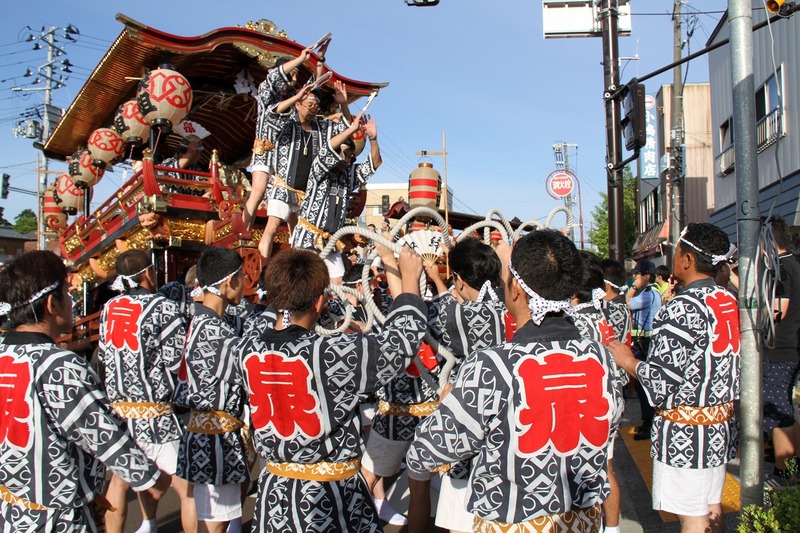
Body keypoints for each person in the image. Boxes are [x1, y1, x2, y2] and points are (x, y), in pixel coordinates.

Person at [406, 229, 621, 530]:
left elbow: (427, 450)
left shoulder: (493, 365)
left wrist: (447, 408)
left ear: (516, 288)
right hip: (582, 521)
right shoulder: (602, 358)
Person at [229, 246, 427, 532]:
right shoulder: (333, 353)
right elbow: (401, 343)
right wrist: (409, 280)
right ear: (319, 302)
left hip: (275, 496)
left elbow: (267, 320)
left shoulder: (244, 348)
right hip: (330, 496)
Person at [0, 251, 171, 531]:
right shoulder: (58, 365)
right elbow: (102, 432)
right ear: (52, 304)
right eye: (67, 294)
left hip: (11, 511)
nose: (71, 302)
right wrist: (151, 478)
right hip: (57, 519)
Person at [609, 223, 739, 533]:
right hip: (720, 425)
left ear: (688, 259)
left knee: (692, 516)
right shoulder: (726, 298)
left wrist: (627, 360)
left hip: (687, 431)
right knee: (712, 507)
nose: (674, 256)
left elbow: (660, 380)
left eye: (677, 251)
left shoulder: (682, 307)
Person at [98, 250, 195, 533]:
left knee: (120, 481)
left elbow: (103, 356)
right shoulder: (162, 306)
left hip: (120, 415)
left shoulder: (109, 308)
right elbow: (178, 361)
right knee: (188, 487)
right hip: (155, 414)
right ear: (148, 273)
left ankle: (147, 525)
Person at [424, 237, 509, 533]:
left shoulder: (458, 314)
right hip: (510, 421)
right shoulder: (512, 306)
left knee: (462, 516)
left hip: (469, 417)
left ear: (459, 280)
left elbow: (413, 317)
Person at [176, 247, 248, 533]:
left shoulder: (203, 320)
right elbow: (247, 368)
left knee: (208, 513)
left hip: (203, 432)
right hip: (215, 438)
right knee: (214, 523)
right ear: (230, 281)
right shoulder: (214, 331)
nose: (246, 284)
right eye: (243, 277)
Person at [256, 79, 351, 260]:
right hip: (283, 185)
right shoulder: (286, 124)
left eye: (316, 105)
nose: (314, 108)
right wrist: (297, 96)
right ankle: (262, 268)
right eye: (309, 104)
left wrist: (344, 104)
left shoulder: (322, 128)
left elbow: (347, 126)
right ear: (298, 105)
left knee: (298, 235)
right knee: (272, 227)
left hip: (309, 192)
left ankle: (294, 271)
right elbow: (271, 114)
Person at [245, 41, 331, 230]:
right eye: (292, 73)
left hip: (286, 155)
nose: (294, 78)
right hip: (266, 149)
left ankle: (294, 240)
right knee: (258, 191)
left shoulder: (296, 98)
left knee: (294, 201)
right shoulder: (267, 91)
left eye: (296, 74)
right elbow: (276, 80)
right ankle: (243, 231)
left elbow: (313, 85)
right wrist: (301, 59)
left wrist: (320, 59)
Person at [290, 112, 380, 284]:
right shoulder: (319, 168)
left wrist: (373, 139)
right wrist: (350, 130)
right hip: (308, 239)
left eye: (350, 156)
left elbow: (374, 163)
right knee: (305, 284)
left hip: (331, 242)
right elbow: (329, 148)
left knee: (337, 283)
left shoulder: (348, 176)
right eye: (344, 154)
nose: (347, 160)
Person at [572, 251, 625, 533]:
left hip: (587, 406)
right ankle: (613, 528)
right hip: (611, 399)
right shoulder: (606, 314)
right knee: (607, 468)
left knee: (583, 472)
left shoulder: (573, 323)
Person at [762, 215, 800, 477]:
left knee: (778, 409)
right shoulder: (794, 263)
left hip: (780, 348)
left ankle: (784, 469)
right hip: (792, 346)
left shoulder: (780, 269)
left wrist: (754, 320)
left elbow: (777, 311)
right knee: (786, 406)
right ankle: (792, 463)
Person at [626, 258, 662, 440]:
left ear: (647, 276)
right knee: (643, 384)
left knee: (644, 385)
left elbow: (625, 303)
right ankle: (648, 421)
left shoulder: (648, 294)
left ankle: (650, 424)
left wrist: (633, 287)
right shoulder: (649, 292)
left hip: (645, 344)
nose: (635, 277)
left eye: (638, 274)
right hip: (645, 343)